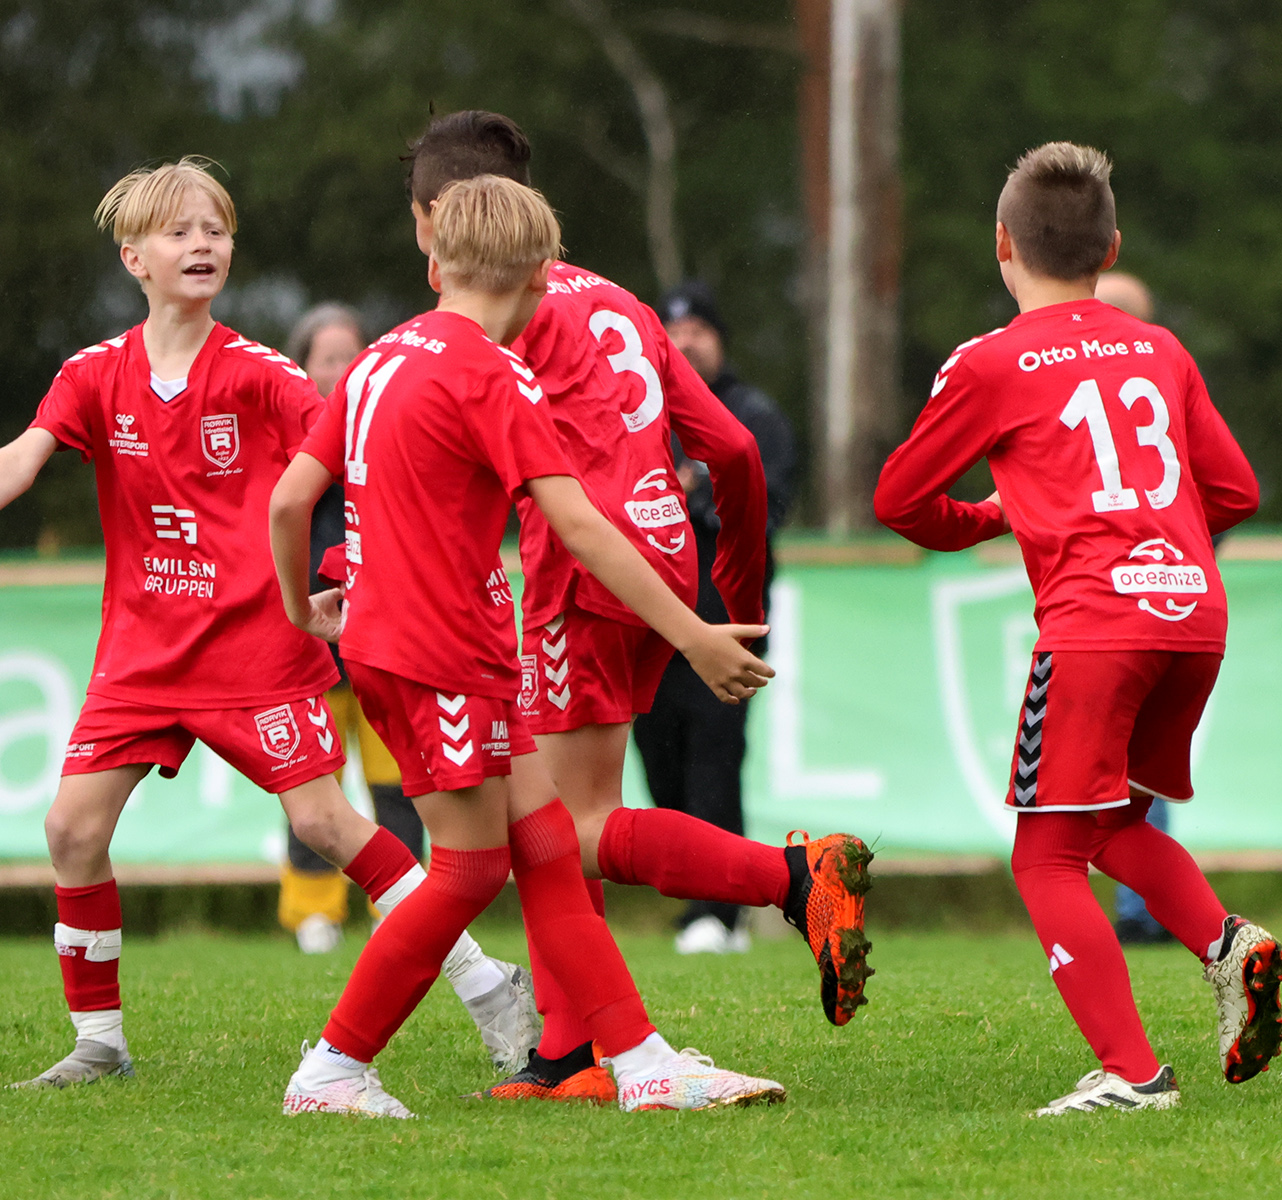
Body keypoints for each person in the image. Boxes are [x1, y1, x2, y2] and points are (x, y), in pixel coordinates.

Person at [0, 158, 535, 1088]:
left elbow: (357, 452)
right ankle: (100, 1045)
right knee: (71, 832)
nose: (202, 244)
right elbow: (28, 450)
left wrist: (368, 562)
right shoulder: (94, 374)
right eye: (179, 232)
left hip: (257, 647)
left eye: (215, 229)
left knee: (326, 823)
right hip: (142, 655)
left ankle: (489, 987)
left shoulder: (260, 374)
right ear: (134, 258)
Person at [269, 174, 788, 1117]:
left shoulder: (380, 357)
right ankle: (335, 1067)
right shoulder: (491, 371)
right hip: (446, 654)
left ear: (436, 260)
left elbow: (289, 499)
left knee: (548, 843)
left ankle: (642, 1063)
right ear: (538, 279)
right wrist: (695, 635)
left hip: (400, 647)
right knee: (469, 869)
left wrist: (304, 605)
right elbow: (583, 529)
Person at [397, 111, 873, 1106]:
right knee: (565, 814)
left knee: (561, 829)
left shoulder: (494, 309)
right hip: (665, 552)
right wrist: (728, 598)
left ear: (434, 222)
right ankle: (569, 1054)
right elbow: (735, 451)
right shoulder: (618, 298)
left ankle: (794, 877)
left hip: (585, 566)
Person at [873, 143, 1282, 1116]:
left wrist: (984, 521)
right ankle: (1231, 947)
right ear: (1112, 247)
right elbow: (1236, 489)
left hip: (1098, 625)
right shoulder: (1160, 346)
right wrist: (1167, 545)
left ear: (1003, 246)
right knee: (1111, 826)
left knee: (1045, 854)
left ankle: (1133, 1075)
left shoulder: (991, 362)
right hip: (1193, 616)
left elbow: (899, 498)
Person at [639, 279, 799, 955]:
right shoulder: (640, 414)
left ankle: (722, 911)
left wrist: (694, 493)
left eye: (700, 328)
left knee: (714, 753)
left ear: (719, 339)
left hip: (724, 616)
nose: (687, 340)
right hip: (648, 622)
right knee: (657, 758)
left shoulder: (753, 414)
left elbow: (770, 502)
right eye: (675, 330)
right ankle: (690, 903)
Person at [276, 302, 433, 957]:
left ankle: (399, 905)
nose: (340, 368)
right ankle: (313, 911)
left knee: (396, 783)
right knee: (314, 787)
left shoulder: (392, 429)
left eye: (350, 355)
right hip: (306, 637)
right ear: (303, 366)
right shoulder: (280, 440)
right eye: (327, 357)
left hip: (383, 633)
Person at [1093, 271, 1175, 946]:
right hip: (1178, 610)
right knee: (1141, 772)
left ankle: (1143, 913)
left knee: (1069, 808)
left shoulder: (1057, 380)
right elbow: (1234, 490)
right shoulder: (1170, 377)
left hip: (1098, 611)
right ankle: (1184, 921)